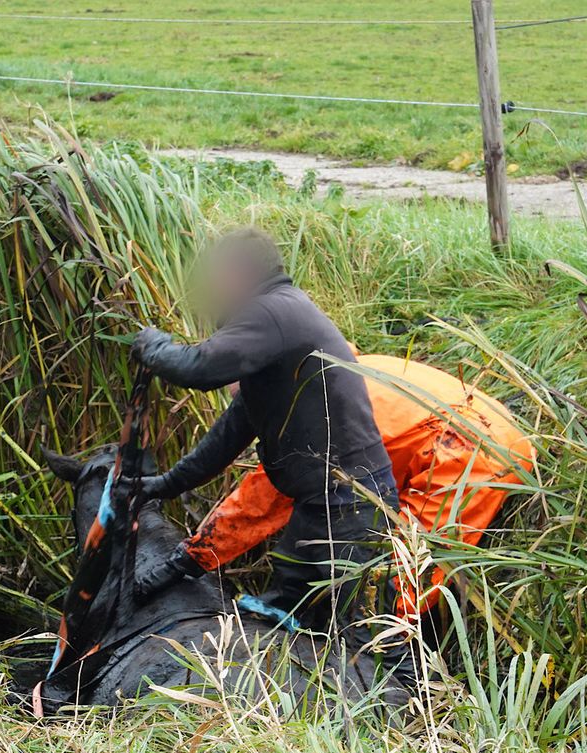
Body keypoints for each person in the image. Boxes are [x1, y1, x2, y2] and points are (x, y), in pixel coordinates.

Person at [131, 227, 396, 630]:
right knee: (290, 618)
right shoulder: (276, 336)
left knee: (357, 634)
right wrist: (160, 486)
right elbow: (223, 442)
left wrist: (153, 346)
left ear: (240, 274)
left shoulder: (272, 311)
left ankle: (416, 689)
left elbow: (198, 368)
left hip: (350, 506)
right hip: (325, 506)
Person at [167, 354, 535, 619]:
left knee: (411, 563)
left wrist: (195, 556)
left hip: (470, 448)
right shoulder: (329, 369)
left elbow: (261, 499)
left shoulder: (310, 411)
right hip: (473, 424)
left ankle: (383, 655)